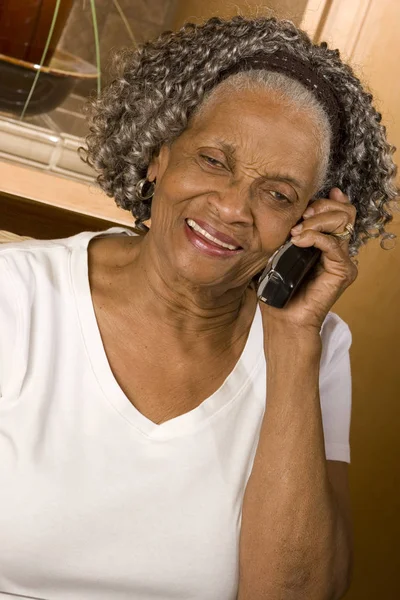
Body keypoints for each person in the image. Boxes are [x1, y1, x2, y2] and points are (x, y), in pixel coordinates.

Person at [0, 14, 398, 600]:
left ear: (308, 221)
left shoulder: (315, 346)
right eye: (214, 160)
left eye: (278, 194)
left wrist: (291, 341)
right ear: (159, 153)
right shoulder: (17, 295)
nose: (234, 207)